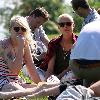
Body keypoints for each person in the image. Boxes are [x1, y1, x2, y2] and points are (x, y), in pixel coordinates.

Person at [0, 15, 41, 92]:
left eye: (23, 29)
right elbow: (14, 70)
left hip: (15, 81)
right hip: (2, 79)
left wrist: (40, 85)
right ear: (10, 30)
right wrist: (21, 46)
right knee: (16, 89)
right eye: (16, 29)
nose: (20, 31)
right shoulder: (3, 45)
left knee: (39, 87)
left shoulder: (25, 45)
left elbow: (32, 69)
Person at [70, 20, 100, 87]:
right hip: (94, 68)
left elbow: (73, 47)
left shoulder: (89, 25)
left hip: (75, 66)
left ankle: (85, 90)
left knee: (88, 64)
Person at [22, 7, 50, 80]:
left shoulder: (37, 25)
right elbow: (22, 54)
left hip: (38, 59)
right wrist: (39, 57)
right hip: (26, 64)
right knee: (42, 79)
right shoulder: (20, 27)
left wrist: (53, 49)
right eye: (38, 22)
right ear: (32, 16)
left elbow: (45, 39)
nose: (38, 26)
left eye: (41, 24)